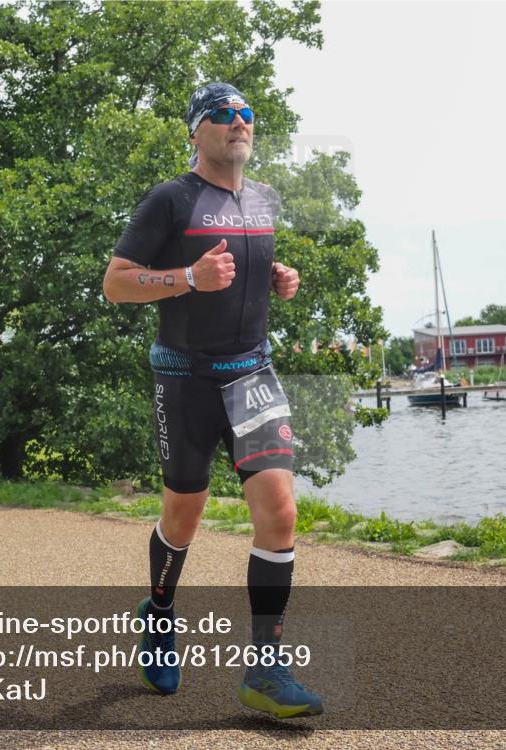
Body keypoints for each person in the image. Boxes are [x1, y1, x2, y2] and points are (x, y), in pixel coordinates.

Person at [102, 83, 319, 718]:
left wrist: (281, 280)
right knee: (184, 515)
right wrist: (187, 279)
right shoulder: (172, 199)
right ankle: (161, 613)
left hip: (252, 373)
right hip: (185, 380)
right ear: (196, 131)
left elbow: (249, 273)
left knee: (279, 511)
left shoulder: (264, 199)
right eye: (222, 115)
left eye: (246, 114)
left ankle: (266, 669)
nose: (238, 123)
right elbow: (116, 284)